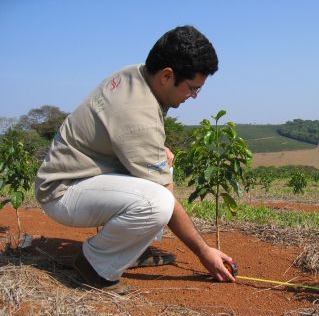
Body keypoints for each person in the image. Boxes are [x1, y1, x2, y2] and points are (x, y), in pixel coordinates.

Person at [35, 25, 235, 294]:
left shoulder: (138, 74)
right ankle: (94, 266)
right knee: (158, 202)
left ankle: (127, 250)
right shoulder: (137, 115)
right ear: (167, 75)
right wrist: (204, 251)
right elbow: (165, 196)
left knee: (161, 159)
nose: (193, 96)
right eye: (192, 88)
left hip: (85, 175)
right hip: (63, 191)